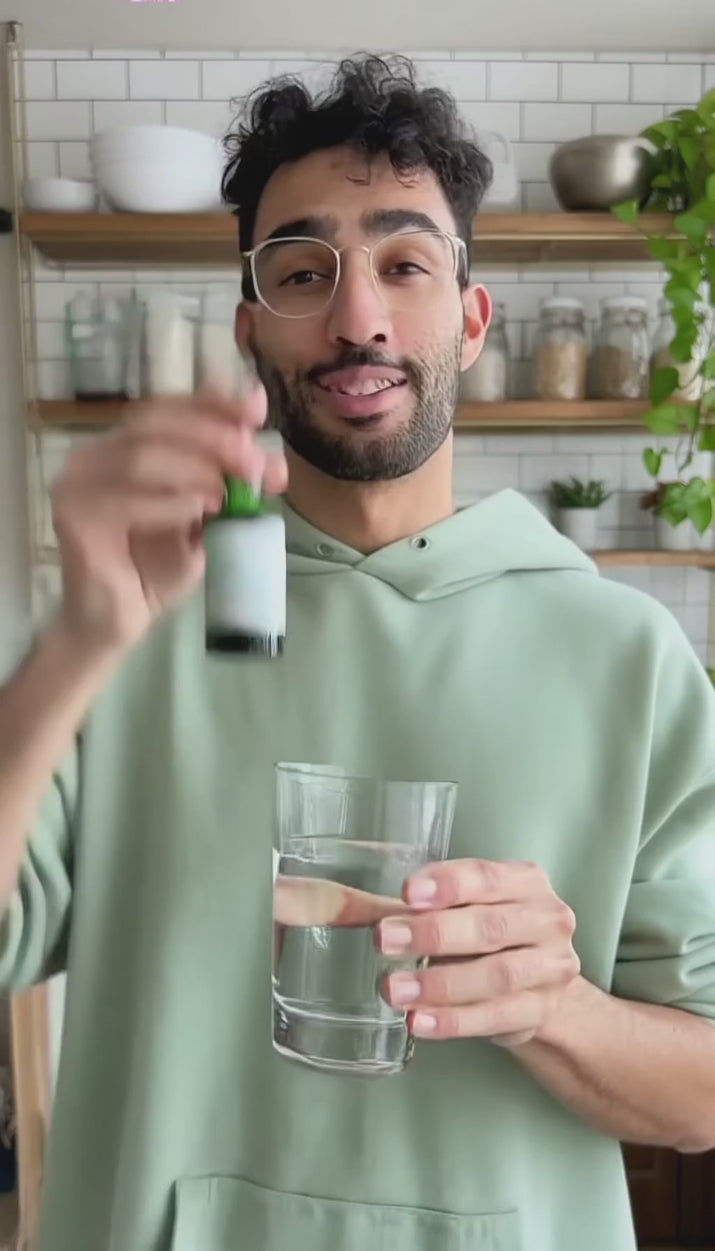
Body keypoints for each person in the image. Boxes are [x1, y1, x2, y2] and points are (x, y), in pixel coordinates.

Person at [1, 53, 715, 1251]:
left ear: (471, 319)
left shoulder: (626, 656)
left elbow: (701, 1095)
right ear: (251, 330)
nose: (357, 319)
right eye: (301, 271)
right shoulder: (128, 621)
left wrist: (552, 1007)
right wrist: (74, 646)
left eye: (404, 264)